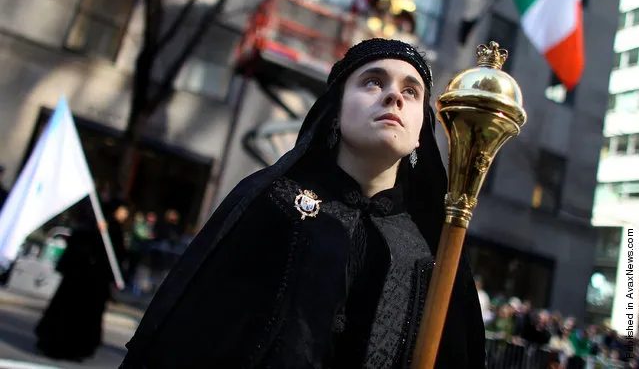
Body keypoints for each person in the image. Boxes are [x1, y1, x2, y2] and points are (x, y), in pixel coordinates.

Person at [119, 38, 486, 368]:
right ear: (337, 112)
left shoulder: (432, 250)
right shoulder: (275, 203)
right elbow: (196, 334)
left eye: (412, 91)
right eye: (373, 81)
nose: (394, 97)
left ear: (422, 132)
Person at [35, 199, 128, 361]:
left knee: (86, 319)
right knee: (67, 314)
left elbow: (118, 256)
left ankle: (78, 349)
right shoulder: (91, 227)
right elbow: (78, 248)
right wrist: (96, 234)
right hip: (78, 281)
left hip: (96, 285)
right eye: (122, 210)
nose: (125, 214)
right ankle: (56, 344)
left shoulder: (115, 231)